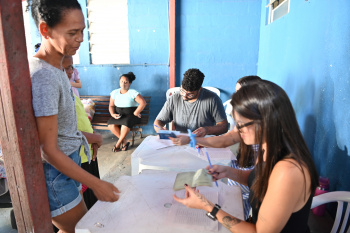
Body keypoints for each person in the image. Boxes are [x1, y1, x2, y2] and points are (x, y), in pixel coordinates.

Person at [173, 80, 318, 233]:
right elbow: (259, 180)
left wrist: (207, 206)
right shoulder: (267, 148)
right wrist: (229, 172)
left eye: (242, 124)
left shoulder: (288, 171)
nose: (238, 129)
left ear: (266, 122)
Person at [28, 1, 119, 232]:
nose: (80, 39)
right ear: (45, 30)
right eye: (72, 32)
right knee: (79, 229)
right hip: (57, 174)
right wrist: (96, 183)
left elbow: (61, 129)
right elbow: (47, 149)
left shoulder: (58, 68)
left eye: (82, 31)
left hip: (68, 165)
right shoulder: (44, 76)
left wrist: (89, 137)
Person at [170, 75, 262, 220]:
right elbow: (228, 139)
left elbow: (226, 137)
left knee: (225, 198)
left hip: (250, 189)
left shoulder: (277, 166)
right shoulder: (252, 127)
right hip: (248, 182)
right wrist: (228, 171)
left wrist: (208, 207)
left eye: (240, 93)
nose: (235, 97)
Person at [62, 55, 101, 209]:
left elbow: (81, 121)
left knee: (93, 201)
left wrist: (93, 139)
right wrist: (95, 137)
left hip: (88, 151)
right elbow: (65, 133)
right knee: (83, 206)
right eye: (63, 68)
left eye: (70, 67)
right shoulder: (57, 96)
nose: (69, 72)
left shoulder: (71, 93)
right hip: (76, 156)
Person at [154, 68, 228, 137]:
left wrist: (207, 130)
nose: (184, 96)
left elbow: (224, 127)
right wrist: (159, 129)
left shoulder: (213, 99)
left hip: (204, 141)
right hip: (181, 140)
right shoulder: (174, 98)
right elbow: (158, 122)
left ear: (199, 90)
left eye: (190, 94)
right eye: (182, 91)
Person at [107, 72, 146, 152]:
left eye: (126, 82)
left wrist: (136, 112)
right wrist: (112, 114)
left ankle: (118, 144)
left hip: (131, 115)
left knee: (125, 124)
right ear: (119, 82)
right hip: (120, 115)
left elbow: (143, 103)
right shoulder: (115, 92)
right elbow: (111, 106)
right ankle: (124, 141)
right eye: (121, 81)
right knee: (111, 125)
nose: (123, 84)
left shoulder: (133, 93)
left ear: (130, 83)